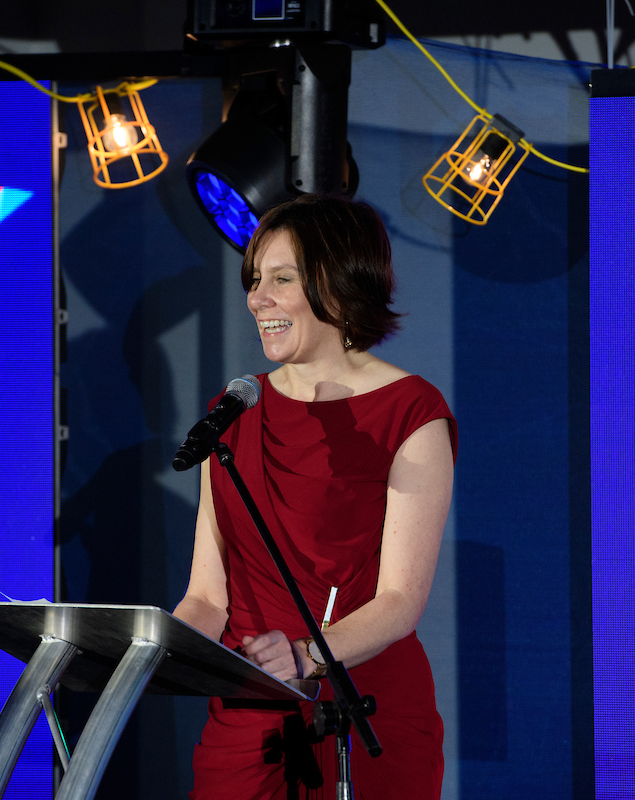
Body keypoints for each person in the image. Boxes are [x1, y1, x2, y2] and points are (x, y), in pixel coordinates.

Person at [173, 194, 457, 800]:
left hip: (359, 707)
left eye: (280, 279)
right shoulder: (233, 414)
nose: (257, 299)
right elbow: (205, 596)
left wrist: (305, 655)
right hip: (248, 717)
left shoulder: (410, 412)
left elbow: (401, 600)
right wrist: (156, 649)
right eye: (254, 281)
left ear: (338, 280)